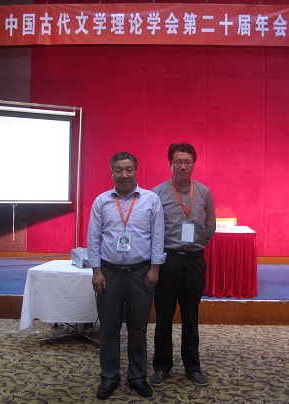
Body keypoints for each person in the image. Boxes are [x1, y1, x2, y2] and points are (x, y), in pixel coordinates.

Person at [87, 152, 165, 400]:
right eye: (119, 170)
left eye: (128, 169)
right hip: (108, 274)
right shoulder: (101, 202)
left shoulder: (151, 200)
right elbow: (93, 239)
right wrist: (96, 271)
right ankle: (109, 377)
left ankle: (137, 377)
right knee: (109, 329)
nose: (124, 175)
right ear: (112, 173)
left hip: (140, 273)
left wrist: (155, 268)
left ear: (135, 171)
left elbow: (158, 237)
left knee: (138, 328)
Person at [150, 142, 216, 388]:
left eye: (187, 162)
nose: (182, 166)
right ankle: (162, 366)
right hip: (168, 261)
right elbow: (151, 229)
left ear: (193, 164)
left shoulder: (204, 192)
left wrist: (195, 245)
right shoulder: (157, 193)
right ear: (170, 164)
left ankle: (193, 366)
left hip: (194, 261)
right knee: (164, 315)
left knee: (191, 315)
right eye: (178, 162)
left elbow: (210, 226)